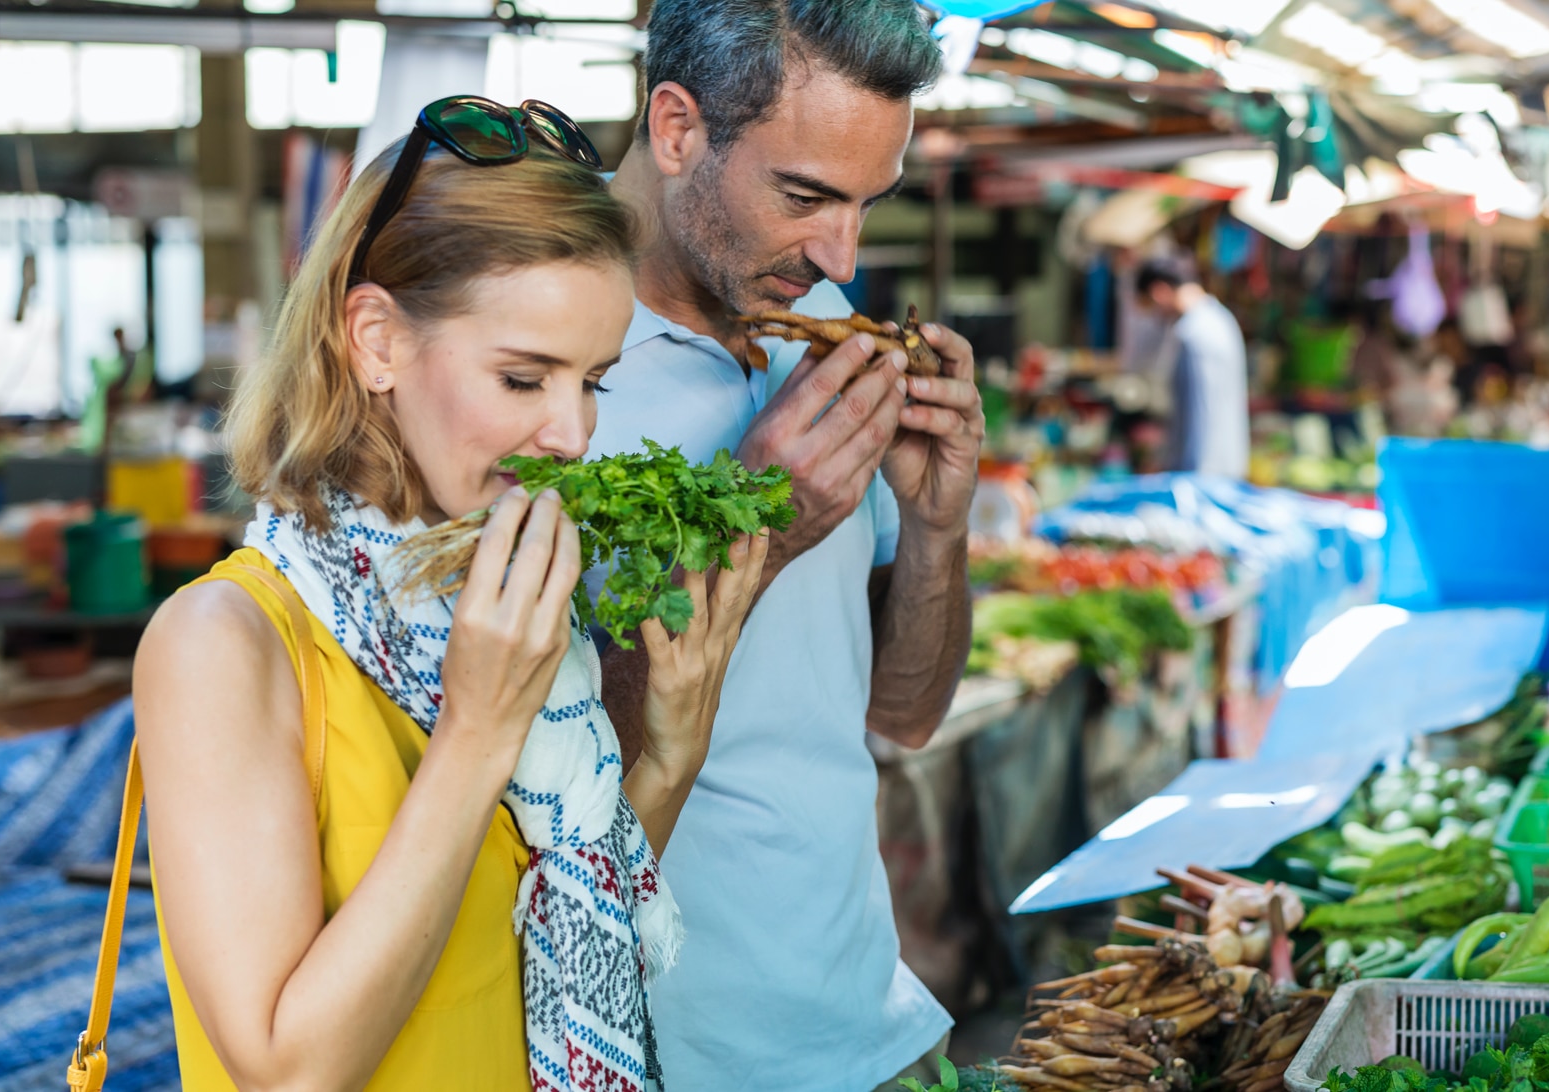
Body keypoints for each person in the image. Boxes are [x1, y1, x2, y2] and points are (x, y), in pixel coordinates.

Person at [132, 97, 766, 1092]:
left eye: (593, 380)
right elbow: (287, 1071)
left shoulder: (504, 604)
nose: (572, 433)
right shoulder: (225, 642)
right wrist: (476, 730)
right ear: (376, 340)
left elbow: (550, 918)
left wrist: (672, 754)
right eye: (524, 378)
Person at [597, 2, 984, 1088]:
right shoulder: (530, 356)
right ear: (675, 128)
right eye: (805, 196)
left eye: (866, 204)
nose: (839, 255)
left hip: (868, 1022)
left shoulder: (805, 307)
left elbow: (901, 714)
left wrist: (936, 522)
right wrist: (754, 528)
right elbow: (510, 778)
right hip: (673, 1052)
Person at [1134, 260, 1250, 480]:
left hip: (1204, 475)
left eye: (1150, 306)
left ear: (1159, 292)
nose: (1155, 316)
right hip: (1222, 468)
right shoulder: (1219, 319)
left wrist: (1188, 476)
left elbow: (1200, 415)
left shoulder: (1195, 333)